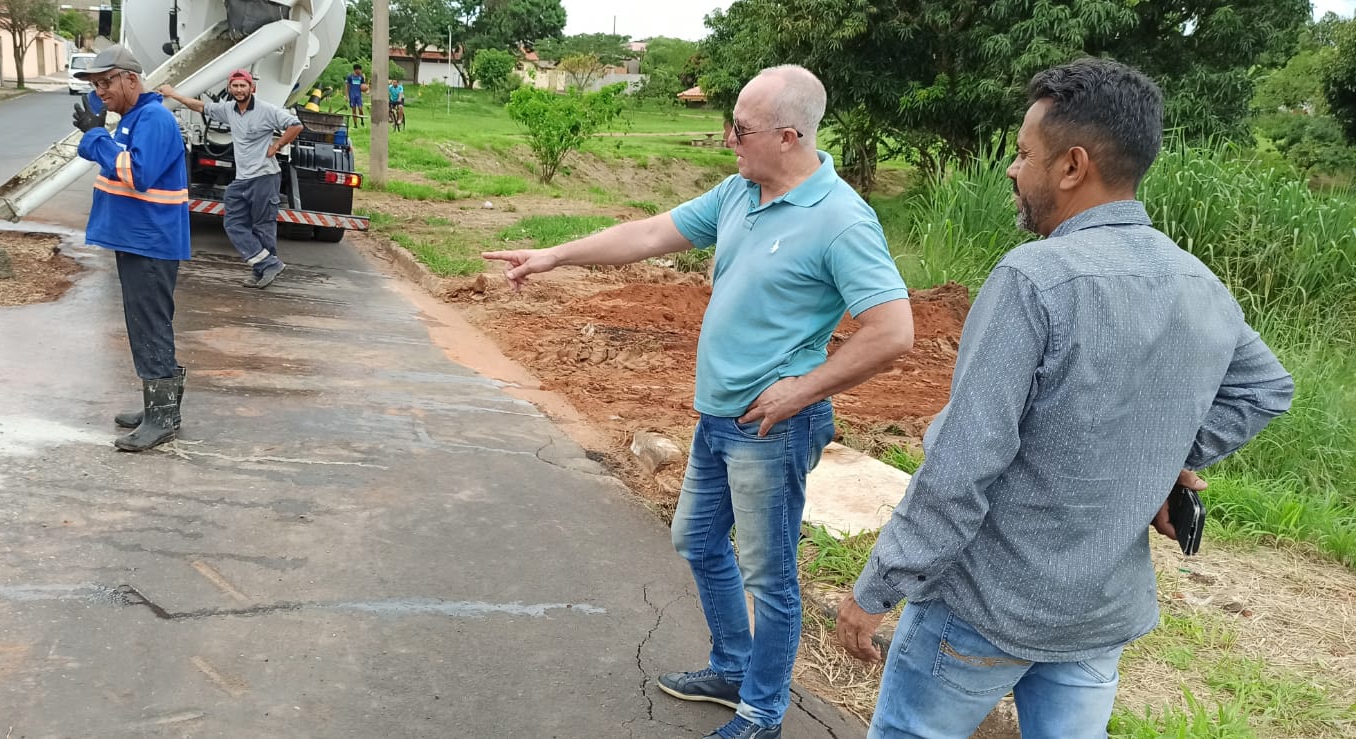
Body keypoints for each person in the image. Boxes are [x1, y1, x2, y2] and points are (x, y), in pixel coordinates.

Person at [835, 58, 1295, 737]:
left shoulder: (1035, 277)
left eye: (1024, 154)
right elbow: (1265, 389)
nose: (1013, 170)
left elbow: (964, 464)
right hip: (1098, 615)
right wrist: (1168, 451)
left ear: (1073, 165)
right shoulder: (1197, 281)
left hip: (984, 608)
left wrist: (876, 588)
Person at [483, 65, 914, 739]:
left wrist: (801, 390)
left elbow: (893, 330)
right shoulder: (742, 192)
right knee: (698, 539)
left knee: (769, 577)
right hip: (718, 417)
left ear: (789, 136)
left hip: (770, 428)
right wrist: (553, 255)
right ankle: (734, 666)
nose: (727, 140)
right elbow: (651, 233)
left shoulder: (840, 220)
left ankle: (762, 711)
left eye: (740, 129)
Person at [70, 45, 192, 452]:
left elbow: (135, 174)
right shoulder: (134, 118)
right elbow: (118, 161)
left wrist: (95, 137)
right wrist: (99, 128)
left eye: (107, 82)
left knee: (150, 325)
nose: (100, 91)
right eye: (96, 85)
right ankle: (161, 407)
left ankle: (161, 418)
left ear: (132, 80)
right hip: (138, 239)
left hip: (150, 242)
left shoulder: (154, 119)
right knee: (146, 324)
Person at [158, 69, 303, 288]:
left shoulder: (266, 110)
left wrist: (277, 145)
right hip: (242, 178)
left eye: (242, 86)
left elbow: (296, 125)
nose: (239, 90)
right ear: (229, 88)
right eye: (235, 86)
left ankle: (262, 270)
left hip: (264, 176)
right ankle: (268, 263)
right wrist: (174, 94)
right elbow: (199, 106)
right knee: (233, 222)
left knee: (262, 225)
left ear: (251, 88)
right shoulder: (228, 110)